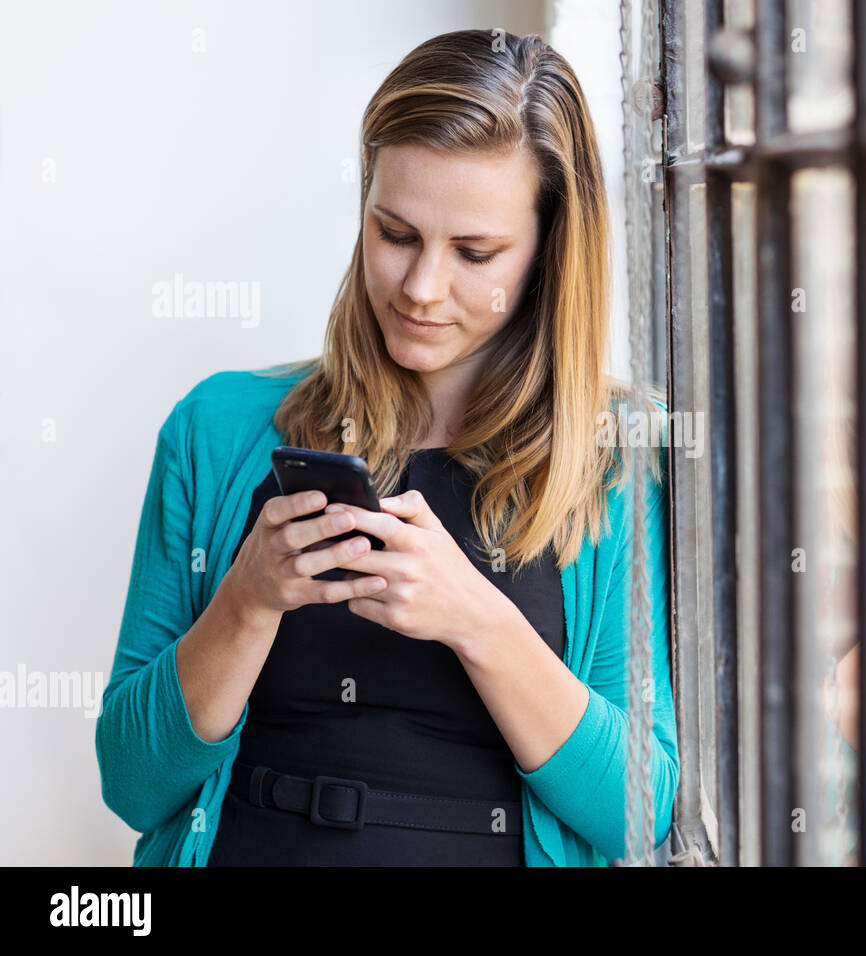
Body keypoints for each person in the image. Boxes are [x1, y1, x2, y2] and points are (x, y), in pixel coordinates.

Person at [95, 29, 679, 866]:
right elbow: (131, 784)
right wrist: (249, 600)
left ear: (552, 252)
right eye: (395, 232)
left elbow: (639, 810)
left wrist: (476, 621)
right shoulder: (217, 429)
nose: (421, 287)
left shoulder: (616, 460)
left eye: (475, 253)